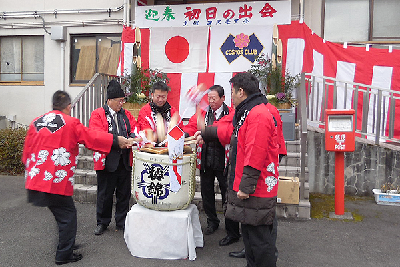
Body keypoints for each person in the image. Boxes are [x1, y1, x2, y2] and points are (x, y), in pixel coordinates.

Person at [23, 90, 132, 265]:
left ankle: (67, 244)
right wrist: (115, 141)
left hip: (36, 179)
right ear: (69, 106)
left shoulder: (36, 122)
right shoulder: (70, 123)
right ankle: (63, 255)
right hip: (55, 181)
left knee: (63, 215)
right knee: (68, 216)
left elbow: (26, 152)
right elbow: (92, 137)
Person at [200, 72, 280, 267]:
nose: (232, 96)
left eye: (233, 92)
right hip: (252, 187)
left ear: (241, 92)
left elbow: (256, 152)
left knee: (260, 241)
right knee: (252, 238)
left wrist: (245, 186)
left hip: (256, 189)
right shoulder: (248, 112)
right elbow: (229, 133)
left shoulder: (257, 115)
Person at [89, 80, 141, 236]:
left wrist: (132, 138)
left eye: (122, 100)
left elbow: (135, 128)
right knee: (105, 194)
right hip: (107, 160)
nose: (121, 103)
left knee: (124, 193)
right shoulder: (98, 114)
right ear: (109, 100)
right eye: (119, 100)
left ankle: (121, 221)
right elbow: (96, 134)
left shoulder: (126, 114)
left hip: (124, 160)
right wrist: (117, 140)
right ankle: (102, 222)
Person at [183, 85, 234, 239]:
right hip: (205, 158)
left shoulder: (230, 113)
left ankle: (231, 226)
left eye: (214, 98)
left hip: (224, 160)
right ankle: (212, 221)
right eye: (209, 98)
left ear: (223, 98)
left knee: (227, 193)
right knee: (207, 193)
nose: (211, 101)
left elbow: (227, 131)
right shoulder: (204, 113)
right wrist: (184, 134)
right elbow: (192, 126)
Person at [137, 81, 183, 145]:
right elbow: (145, 130)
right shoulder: (145, 111)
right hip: (151, 148)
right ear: (152, 95)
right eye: (158, 97)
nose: (160, 100)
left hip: (169, 147)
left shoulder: (173, 111)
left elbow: (180, 130)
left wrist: (170, 136)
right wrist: (155, 135)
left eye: (163, 97)